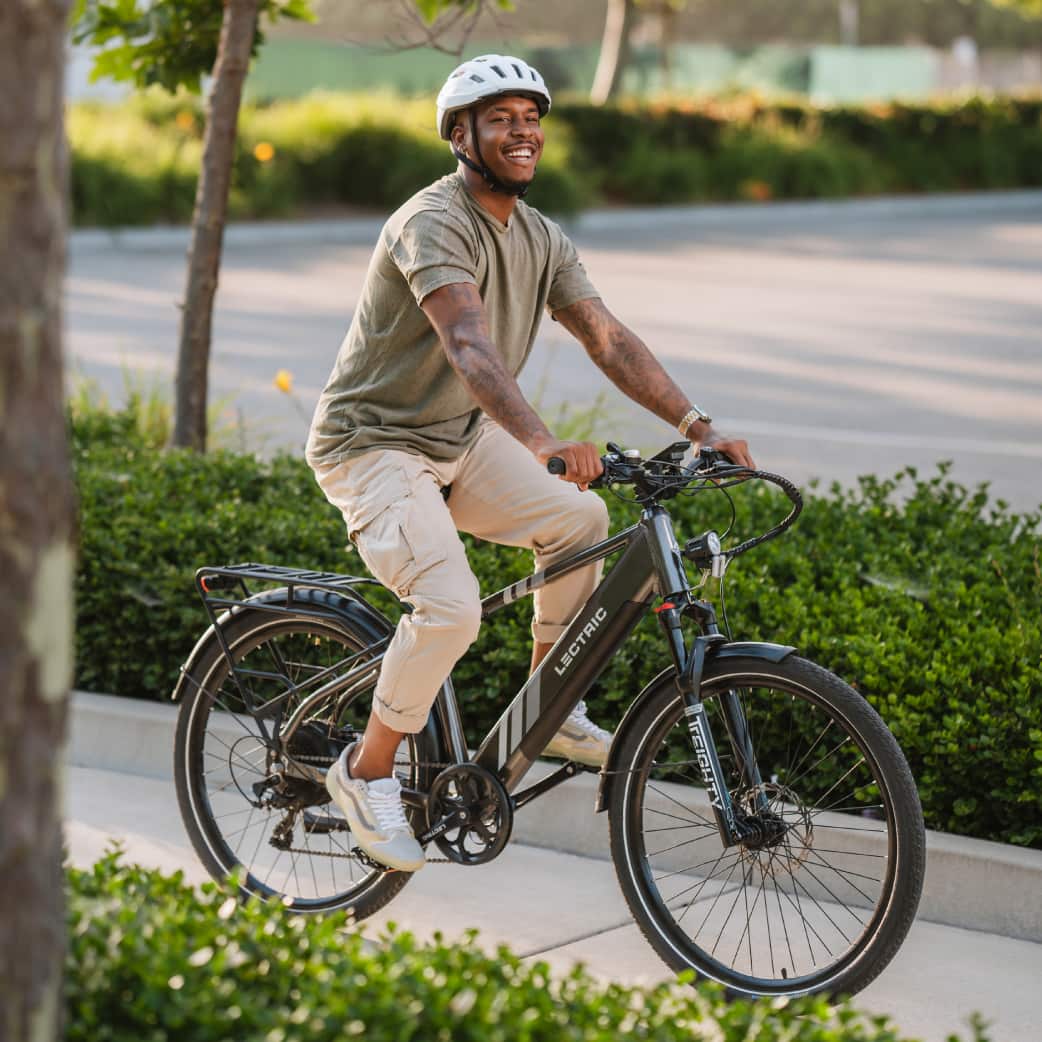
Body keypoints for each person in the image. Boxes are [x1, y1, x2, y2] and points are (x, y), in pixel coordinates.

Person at [307, 54, 753, 872]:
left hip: (456, 437)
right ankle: (365, 772)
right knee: (450, 608)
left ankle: (550, 706)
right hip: (373, 442)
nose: (524, 132)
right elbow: (466, 341)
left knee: (581, 520)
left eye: (531, 118)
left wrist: (697, 424)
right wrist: (543, 442)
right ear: (460, 135)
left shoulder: (541, 236)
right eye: (501, 118)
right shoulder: (432, 222)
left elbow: (606, 337)